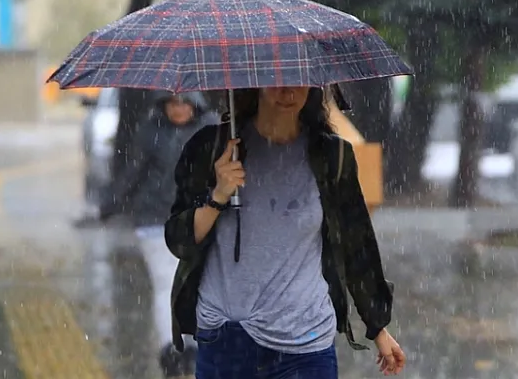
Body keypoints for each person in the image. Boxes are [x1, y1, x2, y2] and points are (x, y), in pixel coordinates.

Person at [164, 87, 406, 378]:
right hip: (227, 340)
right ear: (255, 82)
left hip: (305, 341)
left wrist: (377, 326)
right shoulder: (212, 148)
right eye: (275, 78)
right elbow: (179, 240)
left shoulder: (331, 155)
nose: (287, 89)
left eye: (297, 79)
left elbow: (356, 243)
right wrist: (218, 195)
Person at [99, 91, 219, 377]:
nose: (178, 109)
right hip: (155, 221)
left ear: (196, 104)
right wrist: (111, 203)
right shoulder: (149, 130)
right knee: (167, 285)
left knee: (196, 285)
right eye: (172, 103)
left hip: (198, 220)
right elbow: (133, 171)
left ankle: (192, 346)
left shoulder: (213, 130)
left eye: (183, 103)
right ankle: (172, 349)